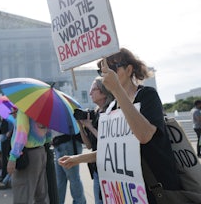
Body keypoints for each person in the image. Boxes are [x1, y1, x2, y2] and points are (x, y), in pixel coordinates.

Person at [58, 48, 182, 204]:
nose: (106, 73)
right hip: (129, 192)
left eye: (112, 67)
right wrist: (79, 158)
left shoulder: (147, 95)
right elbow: (113, 150)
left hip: (155, 188)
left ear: (129, 69)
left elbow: (145, 136)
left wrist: (117, 89)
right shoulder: (112, 107)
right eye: (102, 69)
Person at [76, 76, 114, 204]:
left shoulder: (112, 112)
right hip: (98, 169)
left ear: (103, 92)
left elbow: (108, 142)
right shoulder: (96, 114)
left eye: (93, 90)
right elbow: (88, 145)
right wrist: (81, 126)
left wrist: (90, 127)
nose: (90, 93)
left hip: (111, 170)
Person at [7, 109, 51, 203]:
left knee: (22, 195)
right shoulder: (42, 110)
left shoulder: (24, 110)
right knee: (40, 195)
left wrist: (13, 157)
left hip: (28, 155)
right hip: (40, 152)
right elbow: (48, 134)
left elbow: (22, 134)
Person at [51, 127, 86, 204]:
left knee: (72, 178)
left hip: (67, 142)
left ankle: (79, 202)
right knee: (62, 180)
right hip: (61, 144)